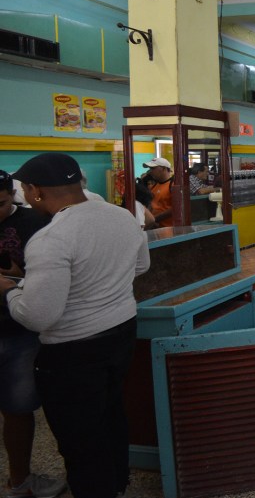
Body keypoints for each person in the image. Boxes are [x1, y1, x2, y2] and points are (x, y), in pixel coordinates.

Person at [0, 152, 149, 498]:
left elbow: (38, 315)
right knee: (110, 415)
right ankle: (116, 484)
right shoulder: (122, 216)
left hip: (73, 352)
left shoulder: (52, 238)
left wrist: (9, 290)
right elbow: (141, 266)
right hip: (121, 334)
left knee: (81, 439)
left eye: (25, 190)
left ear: (36, 191)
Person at [0, 170, 65, 498]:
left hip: (19, 331)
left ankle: (20, 480)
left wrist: (18, 276)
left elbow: (51, 277)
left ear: (13, 195)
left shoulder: (37, 223)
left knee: (18, 409)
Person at [143, 157, 174, 228]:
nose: (150, 171)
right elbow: (151, 205)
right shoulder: (154, 186)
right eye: (150, 168)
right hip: (155, 227)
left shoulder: (173, 185)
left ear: (164, 169)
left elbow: (174, 209)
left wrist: (154, 219)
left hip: (168, 229)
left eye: (153, 168)